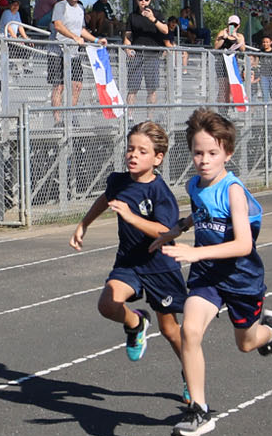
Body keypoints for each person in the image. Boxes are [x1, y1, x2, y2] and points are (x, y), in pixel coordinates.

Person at [150, 108, 272, 436]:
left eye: (212, 153)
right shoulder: (195, 186)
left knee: (247, 343)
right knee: (190, 331)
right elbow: (201, 213)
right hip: (207, 275)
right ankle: (199, 410)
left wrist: (195, 252)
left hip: (241, 278)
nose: (204, 160)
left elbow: (241, 245)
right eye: (198, 153)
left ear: (227, 153)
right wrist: (176, 230)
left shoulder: (233, 191)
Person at [70, 121, 187, 385]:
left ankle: (190, 374)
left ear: (158, 158)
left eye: (142, 151)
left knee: (170, 330)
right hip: (129, 263)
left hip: (159, 266)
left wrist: (132, 218)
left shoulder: (160, 192)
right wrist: (83, 224)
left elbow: (165, 231)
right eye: (130, 149)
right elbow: (105, 199)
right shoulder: (118, 181)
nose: (133, 154)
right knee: (107, 304)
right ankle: (135, 324)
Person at [46, 0, 104, 120]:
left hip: (73, 53)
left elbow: (81, 30)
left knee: (77, 85)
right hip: (57, 52)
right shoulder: (60, 5)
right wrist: (74, 37)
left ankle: (70, 117)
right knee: (58, 86)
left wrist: (96, 40)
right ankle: (58, 120)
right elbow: (58, 26)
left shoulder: (80, 9)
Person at [124, 0, 171, 107]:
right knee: (132, 88)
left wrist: (153, 19)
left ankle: (150, 118)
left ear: (150, 0)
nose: (143, 1)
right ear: (137, 0)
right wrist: (127, 49)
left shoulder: (158, 14)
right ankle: (129, 117)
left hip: (153, 55)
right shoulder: (132, 16)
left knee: (152, 89)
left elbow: (165, 30)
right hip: (137, 55)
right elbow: (128, 36)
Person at [213, 14, 247, 105]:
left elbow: (243, 49)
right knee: (223, 87)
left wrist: (236, 37)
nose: (233, 27)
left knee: (231, 88)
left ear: (238, 26)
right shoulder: (222, 33)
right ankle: (222, 109)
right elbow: (216, 47)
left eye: (235, 25)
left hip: (232, 63)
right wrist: (224, 38)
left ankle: (227, 109)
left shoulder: (240, 36)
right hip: (222, 62)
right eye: (231, 25)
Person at [249, 34, 272, 109]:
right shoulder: (260, 52)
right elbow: (255, 63)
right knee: (265, 95)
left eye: (267, 42)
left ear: (270, 42)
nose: (265, 44)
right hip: (263, 76)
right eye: (264, 42)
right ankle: (265, 113)